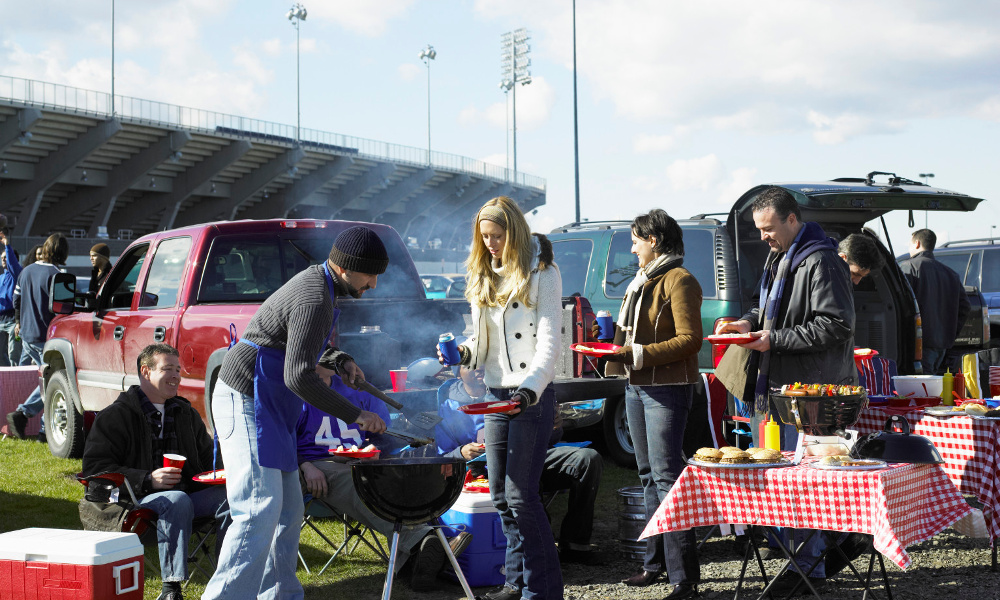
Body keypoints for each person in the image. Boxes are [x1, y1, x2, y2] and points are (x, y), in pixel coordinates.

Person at [203, 226, 389, 600]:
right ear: (348, 267)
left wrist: (340, 360)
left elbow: (293, 343)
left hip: (269, 403)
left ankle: (281, 595)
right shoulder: (315, 296)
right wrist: (354, 415)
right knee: (259, 509)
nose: (372, 284)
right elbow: (298, 375)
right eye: (370, 275)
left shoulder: (322, 287)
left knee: (287, 512)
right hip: (246, 398)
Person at [716, 187, 856, 594]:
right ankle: (807, 558)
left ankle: (808, 569)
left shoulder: (823, 261)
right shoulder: (781, 256)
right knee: (780, 479)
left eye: (768, 228)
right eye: (759, 229)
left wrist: (772, 339)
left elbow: (836, 324)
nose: (763, 236)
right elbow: (766, 309)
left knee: (803, 483)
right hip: (778, 391)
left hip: (808, 396)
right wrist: (746, 324)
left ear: (792, 219)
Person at [441, 195, 563, 600]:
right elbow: (484, 344)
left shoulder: (544, 273)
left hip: (531, 395)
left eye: (496, 235)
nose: (490, 243)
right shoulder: (484, 275)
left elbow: (548, 343)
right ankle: (515, 583)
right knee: (499, 496)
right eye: (484, 237)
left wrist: (531, 390)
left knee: (521, 497)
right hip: (494, 395)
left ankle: (543, 591)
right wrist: (461, 352)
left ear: (514, 232)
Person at [592, 209, 702, 600]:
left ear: (654, 239)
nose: (632, 245)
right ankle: (654, 565)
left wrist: (632, 352)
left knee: (668, 477)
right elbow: (633, 336)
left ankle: (684, 577)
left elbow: (690, 341)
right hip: (637, 387)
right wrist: (606, 342)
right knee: (647, 475)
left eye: (636, 238)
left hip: (668, 388)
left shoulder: (679, 279)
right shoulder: (642, 280)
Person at [296, 349, 472, 592]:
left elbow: (382, 437)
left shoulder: (356, 389)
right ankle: (426, 541)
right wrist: (304, 464)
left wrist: (376, 445)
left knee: (398, 474)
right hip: (319, 464)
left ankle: (415, 559)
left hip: (360, 459)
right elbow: (282, 439)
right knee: (359, 481)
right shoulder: (297, 391)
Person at [80, 343, 230, 600]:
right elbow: (96, 469)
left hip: (187, 494)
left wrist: (221, 474)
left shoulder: (185, 413)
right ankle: (171, 589)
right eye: (168, 369)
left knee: (233, 497)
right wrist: (148, 479)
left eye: (178, 369)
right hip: (135, 501)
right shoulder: (116, 416)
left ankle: (229, 578)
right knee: (176, 500)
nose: (176, 376)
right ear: (146, 371)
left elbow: (207, 460)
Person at [436, 365, 605, 566]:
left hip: (532, 454)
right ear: (457, 373)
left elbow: (548, 439)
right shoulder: (449, 406)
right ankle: (539, 550)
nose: (478, 367)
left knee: (587, 459)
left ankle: (575, 545)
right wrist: (461, 452)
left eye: (482, 361)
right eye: (469, 364)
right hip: (485, 470)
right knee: (522, 479)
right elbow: (443, 455)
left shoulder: (513, 392)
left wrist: (554, 426)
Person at [6, 233, 67, 440]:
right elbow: (64, 310)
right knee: (54, 380)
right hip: (46, 335)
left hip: (27, 335)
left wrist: (20, 322)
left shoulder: (26, 272)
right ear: (62, 253)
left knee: (49, 379)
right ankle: (27, 417)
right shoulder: (57, 274)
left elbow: (16, 300)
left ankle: (37, 426)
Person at [899, 229, 971, 374]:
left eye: (910, 244)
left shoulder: (908, 267)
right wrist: (949, 334)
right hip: (942, 346)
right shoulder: (951, 274)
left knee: (922, 391)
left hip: (919, 345)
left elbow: (901, 306)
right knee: (933, 388)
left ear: (917, 243)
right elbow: (965, 307)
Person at [0, 227, 23, 366]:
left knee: (13, 353)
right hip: (0, 319)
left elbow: (13, 265)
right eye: (2, 258)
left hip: (13, 320)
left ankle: (15, 381)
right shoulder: (1, 277)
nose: (4, 260)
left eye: (6, 258)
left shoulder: (17, 274)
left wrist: (7, 245)